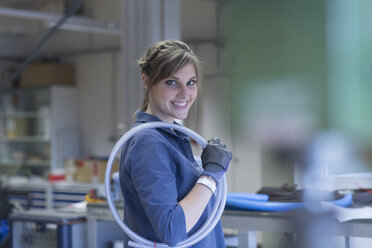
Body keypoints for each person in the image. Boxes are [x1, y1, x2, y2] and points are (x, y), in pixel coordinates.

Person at [119, 40, 232, 247]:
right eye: (172, 82)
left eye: (191, 82)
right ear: (146, 81)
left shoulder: (170, 137)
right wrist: (211, 176)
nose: (185, 93)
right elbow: (172, 230)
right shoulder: (149, 143)